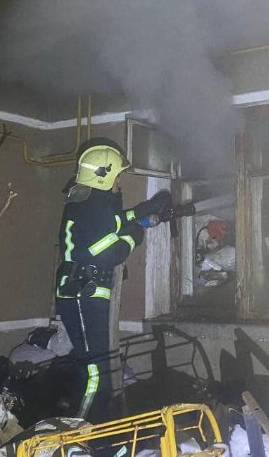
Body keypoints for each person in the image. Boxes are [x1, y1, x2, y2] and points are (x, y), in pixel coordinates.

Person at [54, 138, 172, 422]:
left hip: (89, 292)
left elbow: (116, 221)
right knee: (98, 372)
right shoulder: (91, 206)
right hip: (83, 292)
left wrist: (147, 209)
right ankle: (87, 432)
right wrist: (137, 233)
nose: (119, 180)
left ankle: (97, 427)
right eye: (117, 175)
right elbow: (107, 252)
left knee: (98, 368)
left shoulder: (91, 202)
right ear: (103, 175)